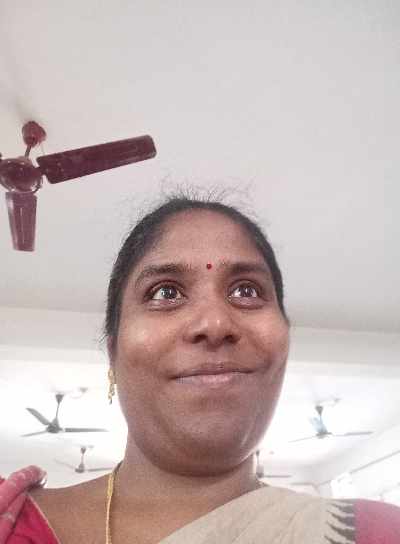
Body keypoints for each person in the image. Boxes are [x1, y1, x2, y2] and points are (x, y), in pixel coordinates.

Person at [1, 192, 399, 543]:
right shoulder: (10, 521)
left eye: (246, 290)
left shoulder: (376, 534)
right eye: (165, 292)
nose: (215, 323)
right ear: (113, 353)